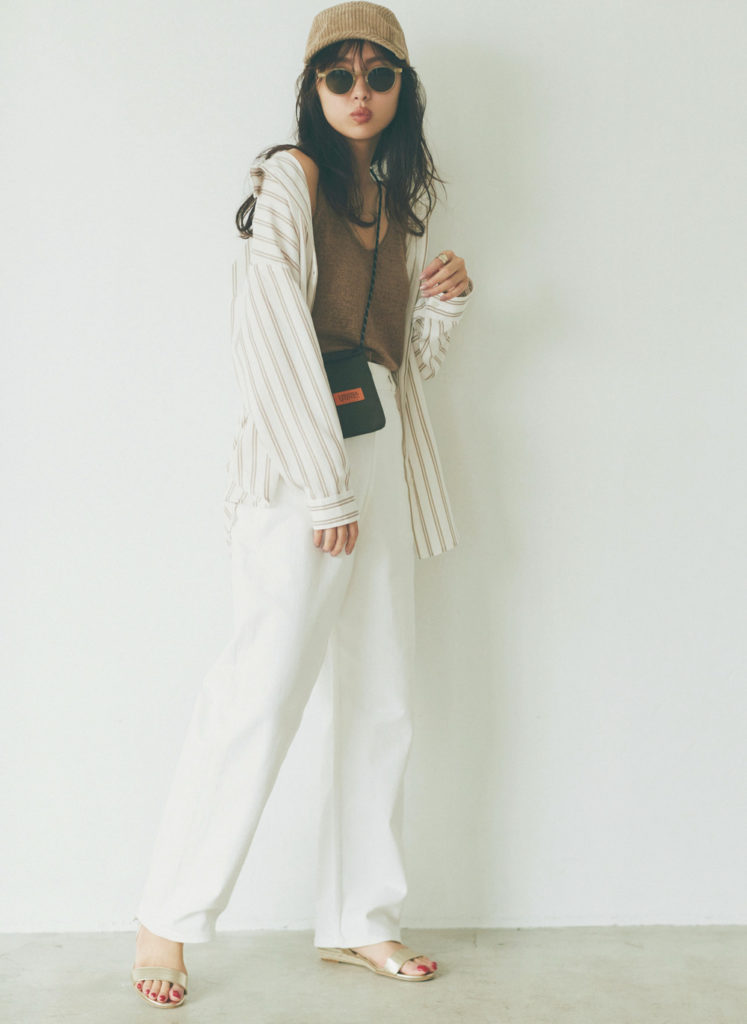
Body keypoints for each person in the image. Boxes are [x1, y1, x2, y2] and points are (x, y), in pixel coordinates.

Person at [130, 0, 474, 1007]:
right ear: (313, 88)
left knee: (383, 694)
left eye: (379, 75)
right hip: (298, 463)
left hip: (379, 451)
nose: (360, 93)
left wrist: (441, 304)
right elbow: (269, 325)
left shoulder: (397, 201)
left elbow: (398, 366)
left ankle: (362, 917)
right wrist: (323, 484)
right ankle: (166, 919)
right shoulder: (292, 176)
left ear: (403, 88)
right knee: (262, 686)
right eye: (340, 75)